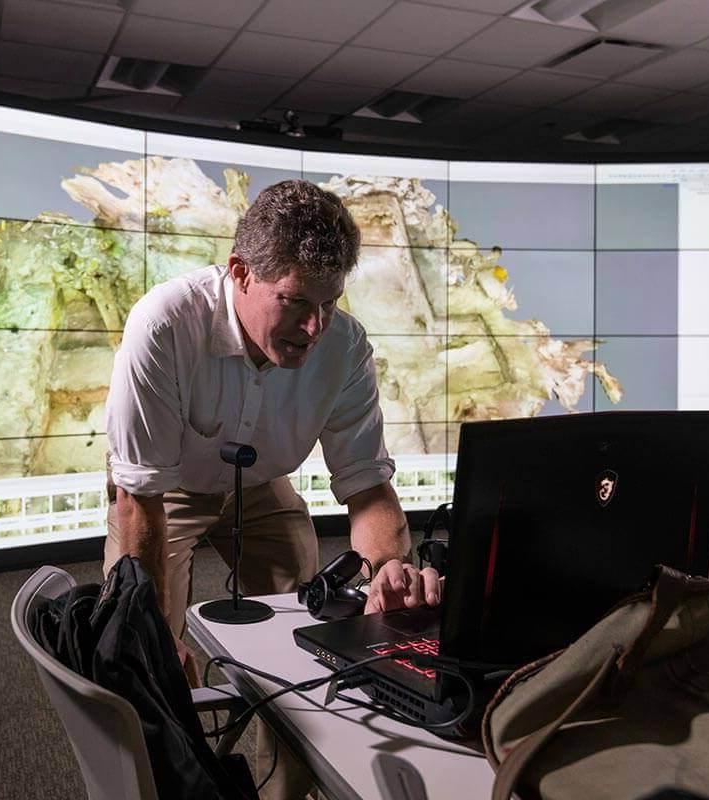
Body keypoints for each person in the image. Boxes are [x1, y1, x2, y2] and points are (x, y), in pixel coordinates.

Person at [103, 179, 441, 800]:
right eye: (294, 302)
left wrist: (390, 566)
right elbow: (139, 497)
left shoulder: (344, 346)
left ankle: (288, 788)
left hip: (260, 484)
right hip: (165, 492)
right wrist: (155, 633)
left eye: (330, 304)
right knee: (141, 652)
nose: (313, 326)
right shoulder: (166, 323)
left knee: (316, 630)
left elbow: (368, 486)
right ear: (240, 273)